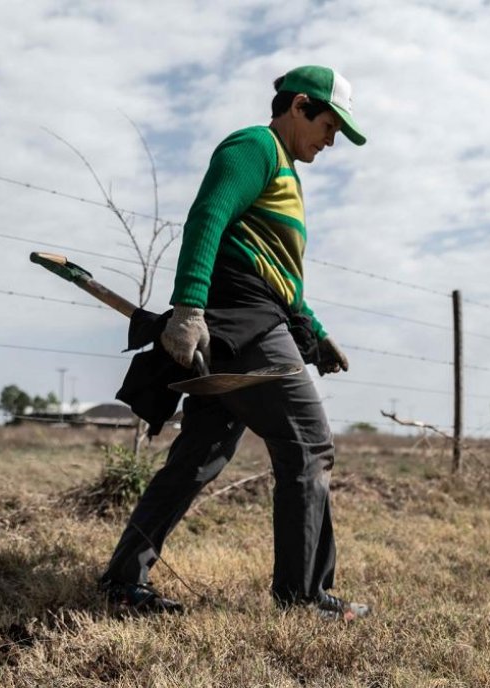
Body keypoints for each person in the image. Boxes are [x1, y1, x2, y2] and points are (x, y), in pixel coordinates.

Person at [100, 65, 370, 621]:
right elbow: (208, 217)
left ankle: (124, 579)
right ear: (299, 107)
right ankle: (303, 598)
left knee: (198, 455)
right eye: (329, 126)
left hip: (250, 319)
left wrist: (315, 334)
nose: (331, 140)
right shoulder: (256, 147)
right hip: (241, 321)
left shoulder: (286, 174)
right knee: (309, 447)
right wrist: (188, 308)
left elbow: (276, 275)